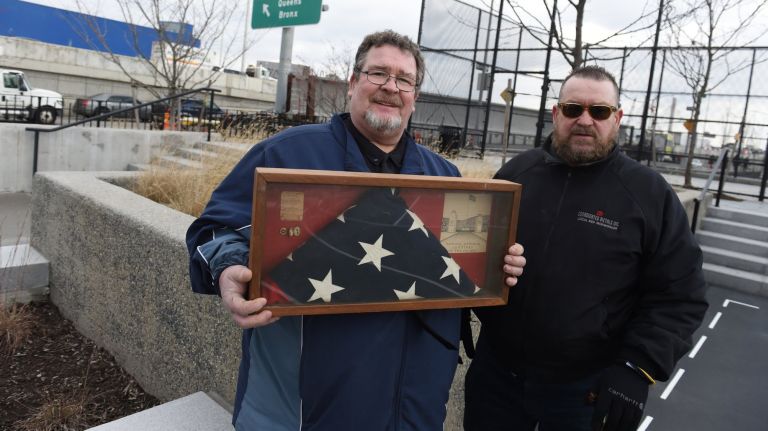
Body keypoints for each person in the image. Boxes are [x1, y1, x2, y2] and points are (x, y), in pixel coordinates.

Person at [186, 30, 525, 430]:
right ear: (352, 83)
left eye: (404, 80)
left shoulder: (444, 175)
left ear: (414, 95)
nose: (390, 87)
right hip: (306, 408)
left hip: (413, 405)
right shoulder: (287, 155)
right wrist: (228, 269)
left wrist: (495, 261)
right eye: (378, 73)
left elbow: (453, 268)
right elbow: (216, 229)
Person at [464, 65, 708, 431]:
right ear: (555, 113)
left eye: (599, 111)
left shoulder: (648, 194)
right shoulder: (517, 173)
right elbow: (473, 249)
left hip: (583, 390)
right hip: (496, 375)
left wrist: (635, 367)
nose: (584, 120)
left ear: (618, 118)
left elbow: (680, 293)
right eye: (573, 108)